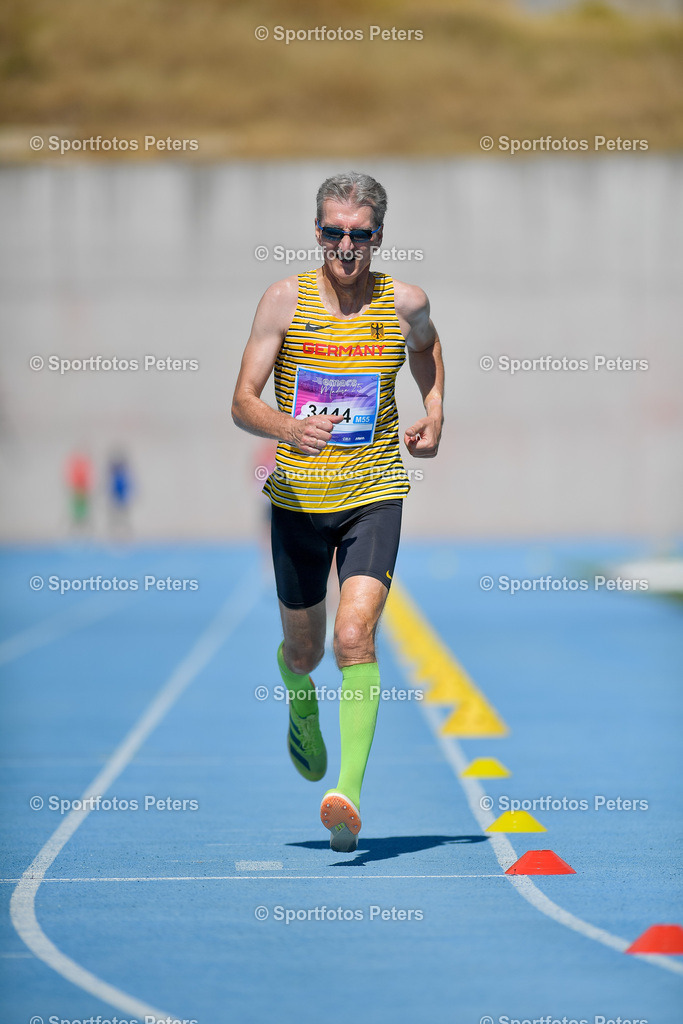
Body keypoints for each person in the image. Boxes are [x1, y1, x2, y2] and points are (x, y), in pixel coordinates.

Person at [232, 171, 444, 852]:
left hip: (373, 492)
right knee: (306, 648)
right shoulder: (281, 301)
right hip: (297, 499)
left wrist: (433, 412)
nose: (345, 246)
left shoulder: (404, 301)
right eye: (332, 232)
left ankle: (346, 794)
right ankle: (300, 699)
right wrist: (285, 427)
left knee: (355, 637)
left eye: (358, 234)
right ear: (316, 231)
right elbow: (242, 401)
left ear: (377, 236)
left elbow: (427, 351)